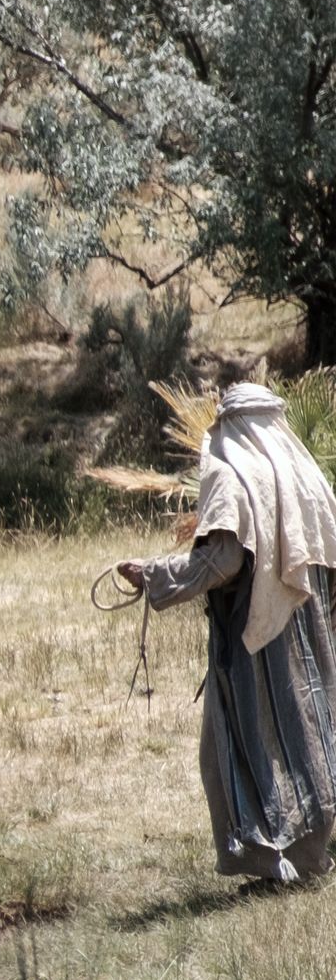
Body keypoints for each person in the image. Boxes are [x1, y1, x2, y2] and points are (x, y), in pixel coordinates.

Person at [113, 379, 336, 887]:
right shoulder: (306, 474)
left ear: (228, 424)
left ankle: (268, 857)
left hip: (255, 639)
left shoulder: (231, 473)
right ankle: (309, 855)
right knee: (310, 737)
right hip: (313, 629)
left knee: (234, 745)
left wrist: (154, 574)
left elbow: (224, 559)